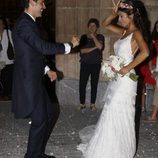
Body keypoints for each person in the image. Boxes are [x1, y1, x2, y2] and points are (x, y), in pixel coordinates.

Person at [77, 0, 149, 157]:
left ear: (131, 16)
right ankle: (108, 144)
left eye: (122, 16)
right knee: (111, 110)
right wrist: (114, 12)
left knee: (120, 111)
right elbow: (105, 23)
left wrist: (126, 68)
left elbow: (145, 52)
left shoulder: (136, 32)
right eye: (120, 16)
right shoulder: (124, 32)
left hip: (126, 80)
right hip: (118, 79)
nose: (120, 19)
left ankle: (121, 149)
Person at [11, 0, 79, 158]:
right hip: (29, 81)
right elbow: (42, 47)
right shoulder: (25, 24)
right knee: (41, 119)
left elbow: (33, 53)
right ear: (32, 2)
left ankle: (36, 153)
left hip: (34, 79)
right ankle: (33, 155)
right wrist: (69, 45)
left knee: (47, 113)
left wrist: (47, 69)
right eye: (41, 2)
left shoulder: (28, 22)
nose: (44, 6)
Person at [78, 18, 104, 111]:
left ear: (97, 27)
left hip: (96, 64)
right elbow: (82, 50)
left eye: (94, 25)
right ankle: (82, 104)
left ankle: (92, 104)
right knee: (82, 84)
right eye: (90, 25)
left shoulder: (100, 36)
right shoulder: (83, 37)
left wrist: (93, 37)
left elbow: (100, 47)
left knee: (94, 84)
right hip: (85, 64)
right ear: (88, 27)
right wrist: (94, 48)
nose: (92, 27)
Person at [145, 20, 158, 122]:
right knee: (155, 90)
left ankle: (154, 115)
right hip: (155, 67)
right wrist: (151, 69)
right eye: (157, 27)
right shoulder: (154, 41)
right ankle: (154, 115)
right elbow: (150, 56)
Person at [0, 17, 14, 100]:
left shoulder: (8, 33)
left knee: (8, 81)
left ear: (4, 25)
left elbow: (15, 46)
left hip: (8, 62)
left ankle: (7, 97)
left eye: (1, 24)